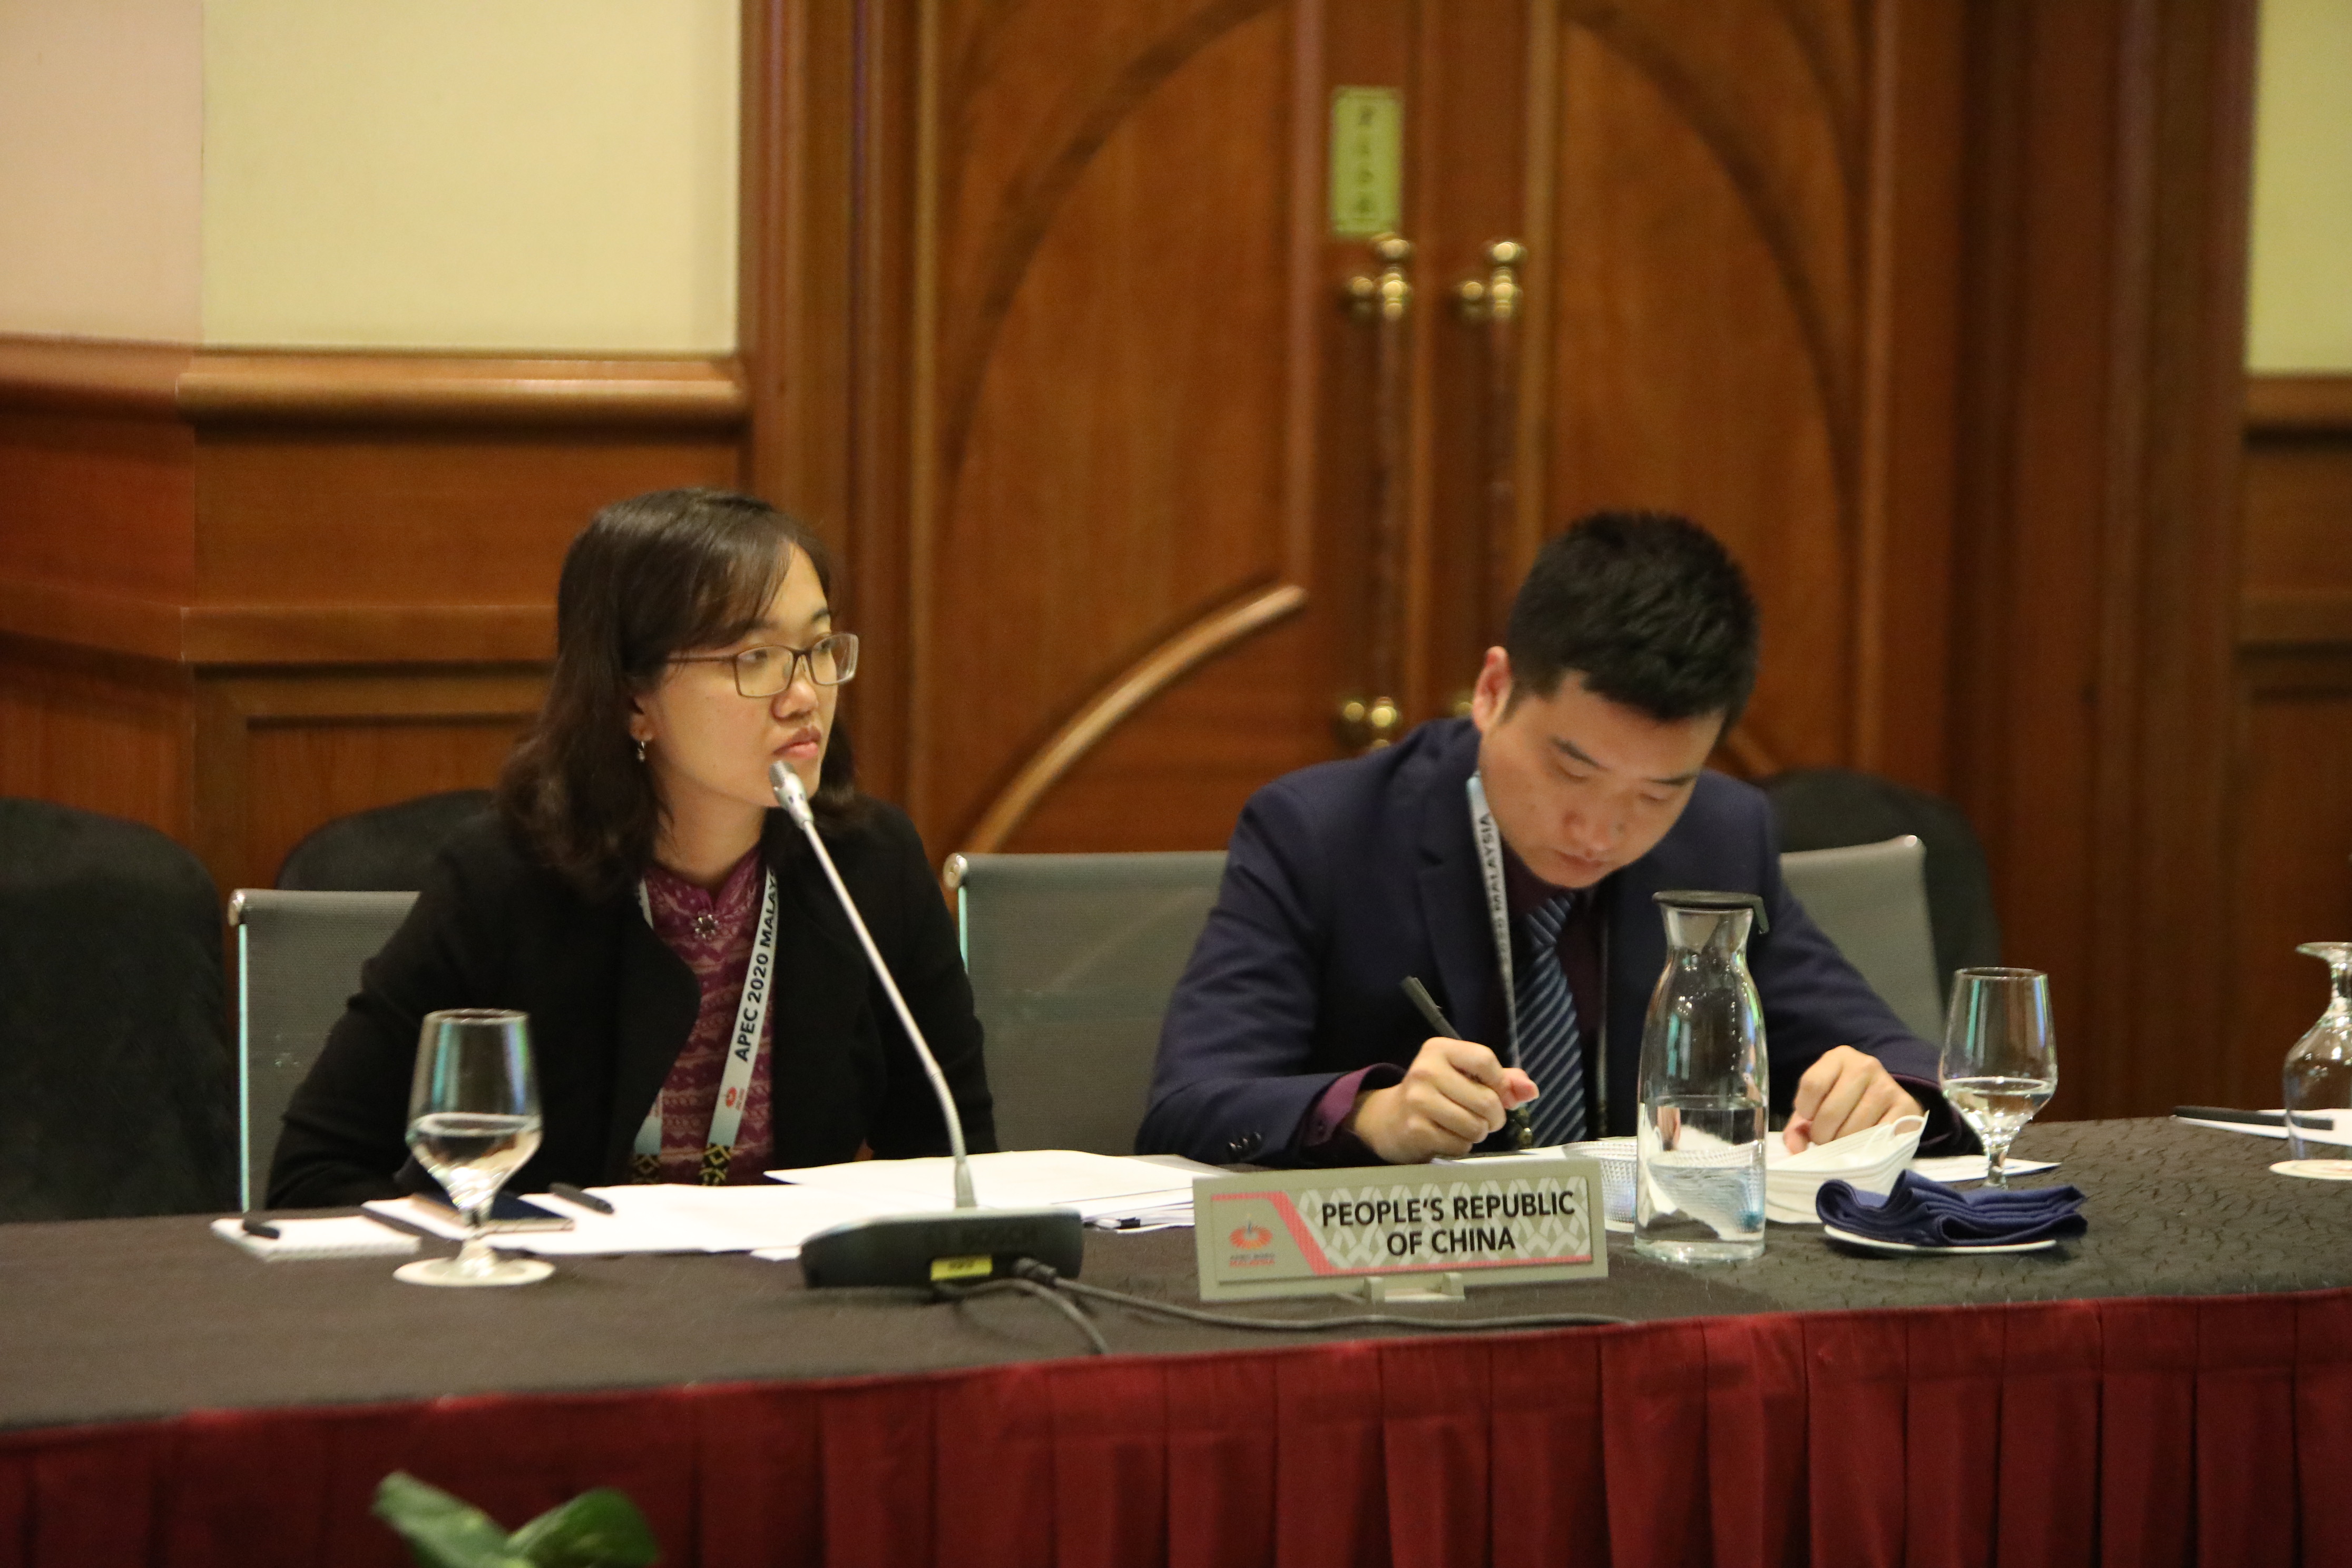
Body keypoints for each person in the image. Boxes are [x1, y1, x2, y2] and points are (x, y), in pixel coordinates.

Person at [1136, 511, 1967, 1167]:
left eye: (1658, 791)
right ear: (1493, 690)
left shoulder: (1722, 835)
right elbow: (1190, 1105)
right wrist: (1372, 1115)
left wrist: (1888, 1092)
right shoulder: (1324, 834)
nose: (1600, 831)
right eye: (1572, 770)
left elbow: (1895, 1055)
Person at [268, 488, 992, 1208]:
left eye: (819, 648)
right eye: (756, 657)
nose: (805, 694)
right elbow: (315, 1179)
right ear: (632, 699)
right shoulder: (504, 882)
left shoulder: (869, 866)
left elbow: (955, 1169)